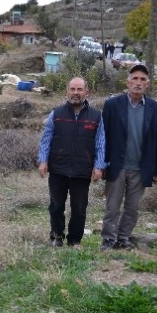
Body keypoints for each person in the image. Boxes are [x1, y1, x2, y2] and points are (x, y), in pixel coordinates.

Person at [100, 64, 157, 251]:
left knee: (132, 208)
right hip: (117, 165)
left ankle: (123, 238)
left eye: (142, 79)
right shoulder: (113, 105)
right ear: (127, 82)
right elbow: (103, 136)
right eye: (135, 79)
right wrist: (102, 163)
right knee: (112, 207)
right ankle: (108, 239)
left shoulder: (156, 109)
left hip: (141, 167)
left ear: (148, 84)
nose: (138, 83)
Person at [38, 77, 106, 247]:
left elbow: (101, 143)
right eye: (72, 89)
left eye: (79, 89)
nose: (76, 93)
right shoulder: (57, 114)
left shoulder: (96, 116)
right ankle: (57, 236)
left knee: (79, 209)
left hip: (82, 171)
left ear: (86, 92)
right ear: (67, 92)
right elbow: (46, 140)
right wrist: (43, 161)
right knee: (56, 206)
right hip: (58, 169)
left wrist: (99, 166)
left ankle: (75, 240)